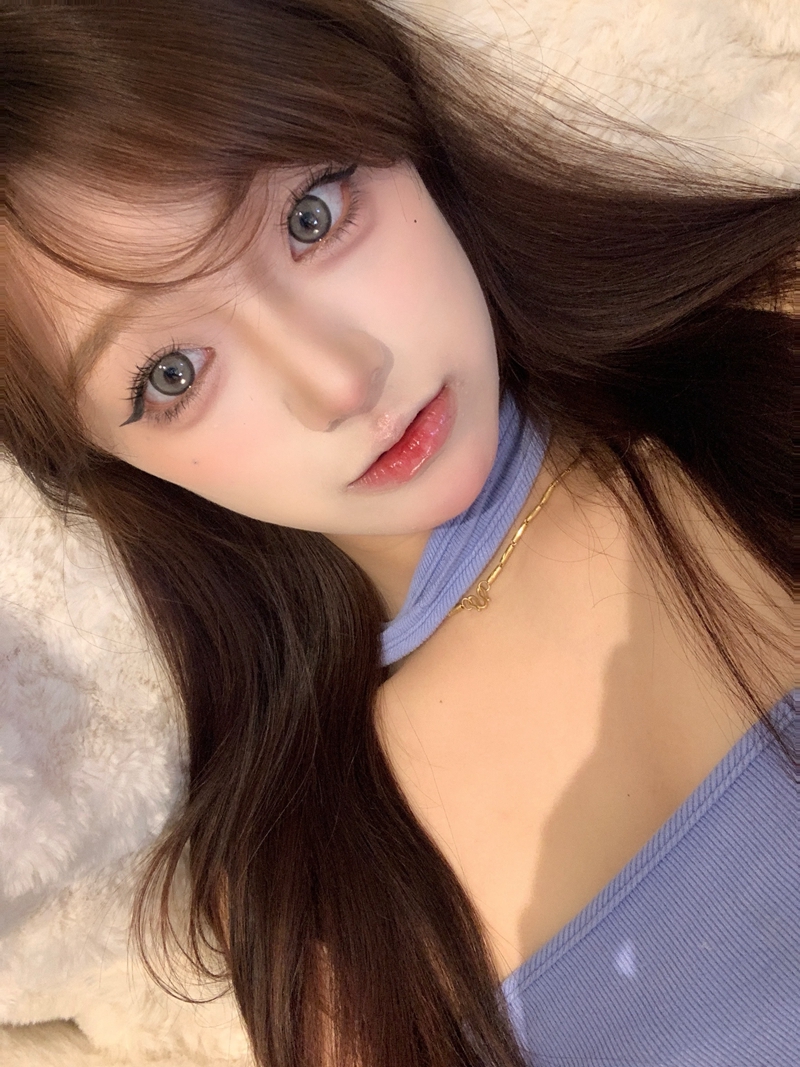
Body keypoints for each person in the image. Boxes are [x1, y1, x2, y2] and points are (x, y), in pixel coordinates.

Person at [3, 1, 797, 1064]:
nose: (339, 381)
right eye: (173, 374)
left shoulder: (774, 344)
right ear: (107, 459)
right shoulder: (326, 902)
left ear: (394, 125)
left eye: (311, 217)